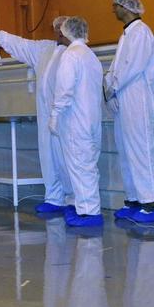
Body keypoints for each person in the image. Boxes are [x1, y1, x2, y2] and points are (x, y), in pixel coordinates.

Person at [0, 17, 72, 215]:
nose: (57, 32)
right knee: (48, 155)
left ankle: (73, 201)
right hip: (46, 114)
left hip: (69, 116)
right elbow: (19, 44)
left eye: (61, 29)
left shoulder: (77, 53)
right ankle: (54, 198)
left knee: (68, 158)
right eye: (56, 29)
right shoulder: (45, 49)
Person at [105, 0, 154, 223]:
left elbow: (131, 67)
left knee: (141, 149)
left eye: (115, 6)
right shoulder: (126, 35)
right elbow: (117, 67)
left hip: (137, 98)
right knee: (125, 150)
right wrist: (109, 88)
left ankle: (151, 203)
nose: (113, 10)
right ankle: (134, 199)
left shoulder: (141, 33)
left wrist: (113, 86)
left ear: (125, 7)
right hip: (123, 99)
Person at [49, 16, 104, 228]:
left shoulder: (71, 56)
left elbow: (64, 89)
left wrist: (55, 115)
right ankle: (87, 208)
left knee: (80, 166)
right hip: (92, 120)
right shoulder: (90, 56)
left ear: (67, 33)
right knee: (88, 166)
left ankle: (89, 213)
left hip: (75, 121)